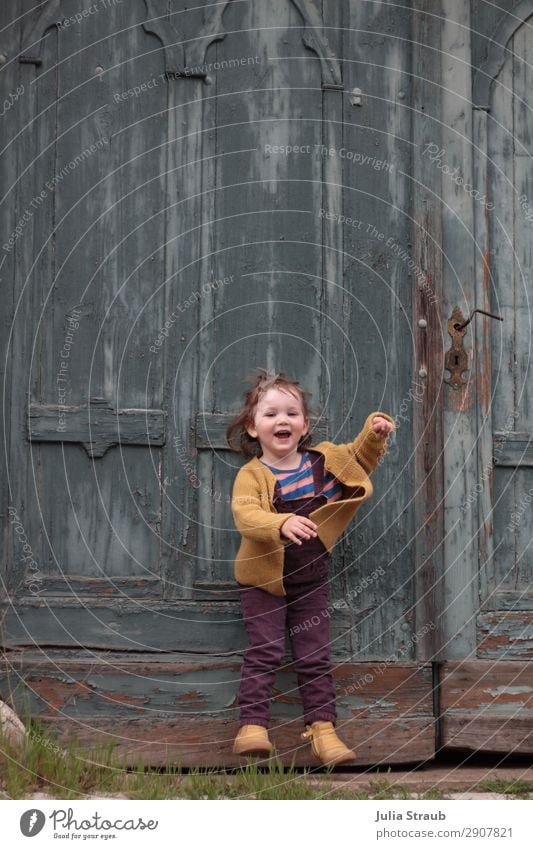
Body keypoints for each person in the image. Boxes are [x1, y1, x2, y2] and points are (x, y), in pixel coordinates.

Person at [226, 368, 395, 765]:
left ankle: (323, 730)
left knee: (314, 655)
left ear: (305, 425)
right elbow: (245, 515)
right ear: (253, 428)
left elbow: (361, 460)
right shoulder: (252, 475)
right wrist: (279, 522)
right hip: (262, 581)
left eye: (291, 413)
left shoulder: (326, 461)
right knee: (264, 651)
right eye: (270, 415)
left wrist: (375, 433)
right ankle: (252, 726)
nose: (281, 420)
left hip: (311, 580)